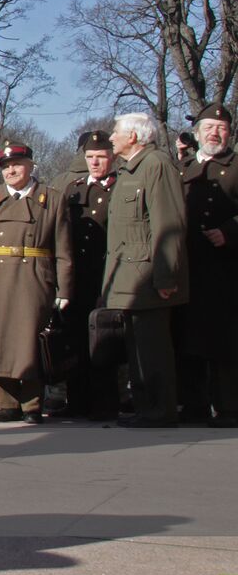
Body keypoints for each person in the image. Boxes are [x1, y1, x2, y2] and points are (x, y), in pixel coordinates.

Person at [0, 143, 72, 423]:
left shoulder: (51, 199)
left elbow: (63, 249)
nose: (11, 171)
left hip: (34, 277)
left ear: (30, 166)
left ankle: (32, 405)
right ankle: (6, 403)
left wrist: (63, 288)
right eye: (5, 167)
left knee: (29, 342)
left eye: (17, 165)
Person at [101, 112, 188, 428]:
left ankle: (160, 410)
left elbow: (169, 224)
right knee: (137, 348)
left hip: (149, 278)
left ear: (133, 137)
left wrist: (167, 276)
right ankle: (145, 407)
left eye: (116, 132)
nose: (111, 137)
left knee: (152, 351)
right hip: (129, 279)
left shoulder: (156, 166)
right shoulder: (130, 170)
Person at [177, 103, 237, 427]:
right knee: (189, 337)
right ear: (198, 133)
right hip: (188, 266)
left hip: (226, 269)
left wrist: (230, 232)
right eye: (209, 127)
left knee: (225, 341)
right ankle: (193, 403)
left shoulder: (236, 165)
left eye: (221, 127)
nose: (215, 132)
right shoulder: (183, 167)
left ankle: (229, 407)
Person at [60, 130, 118, 419]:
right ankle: (77, 401)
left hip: (107, 276)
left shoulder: (119, 188)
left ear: (112, 157)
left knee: (104, 342)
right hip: (77, 276)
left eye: (101, 157)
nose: (95, 163)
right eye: (91, 157)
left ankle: (105, 404)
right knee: (75, 339)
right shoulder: (74, 188)